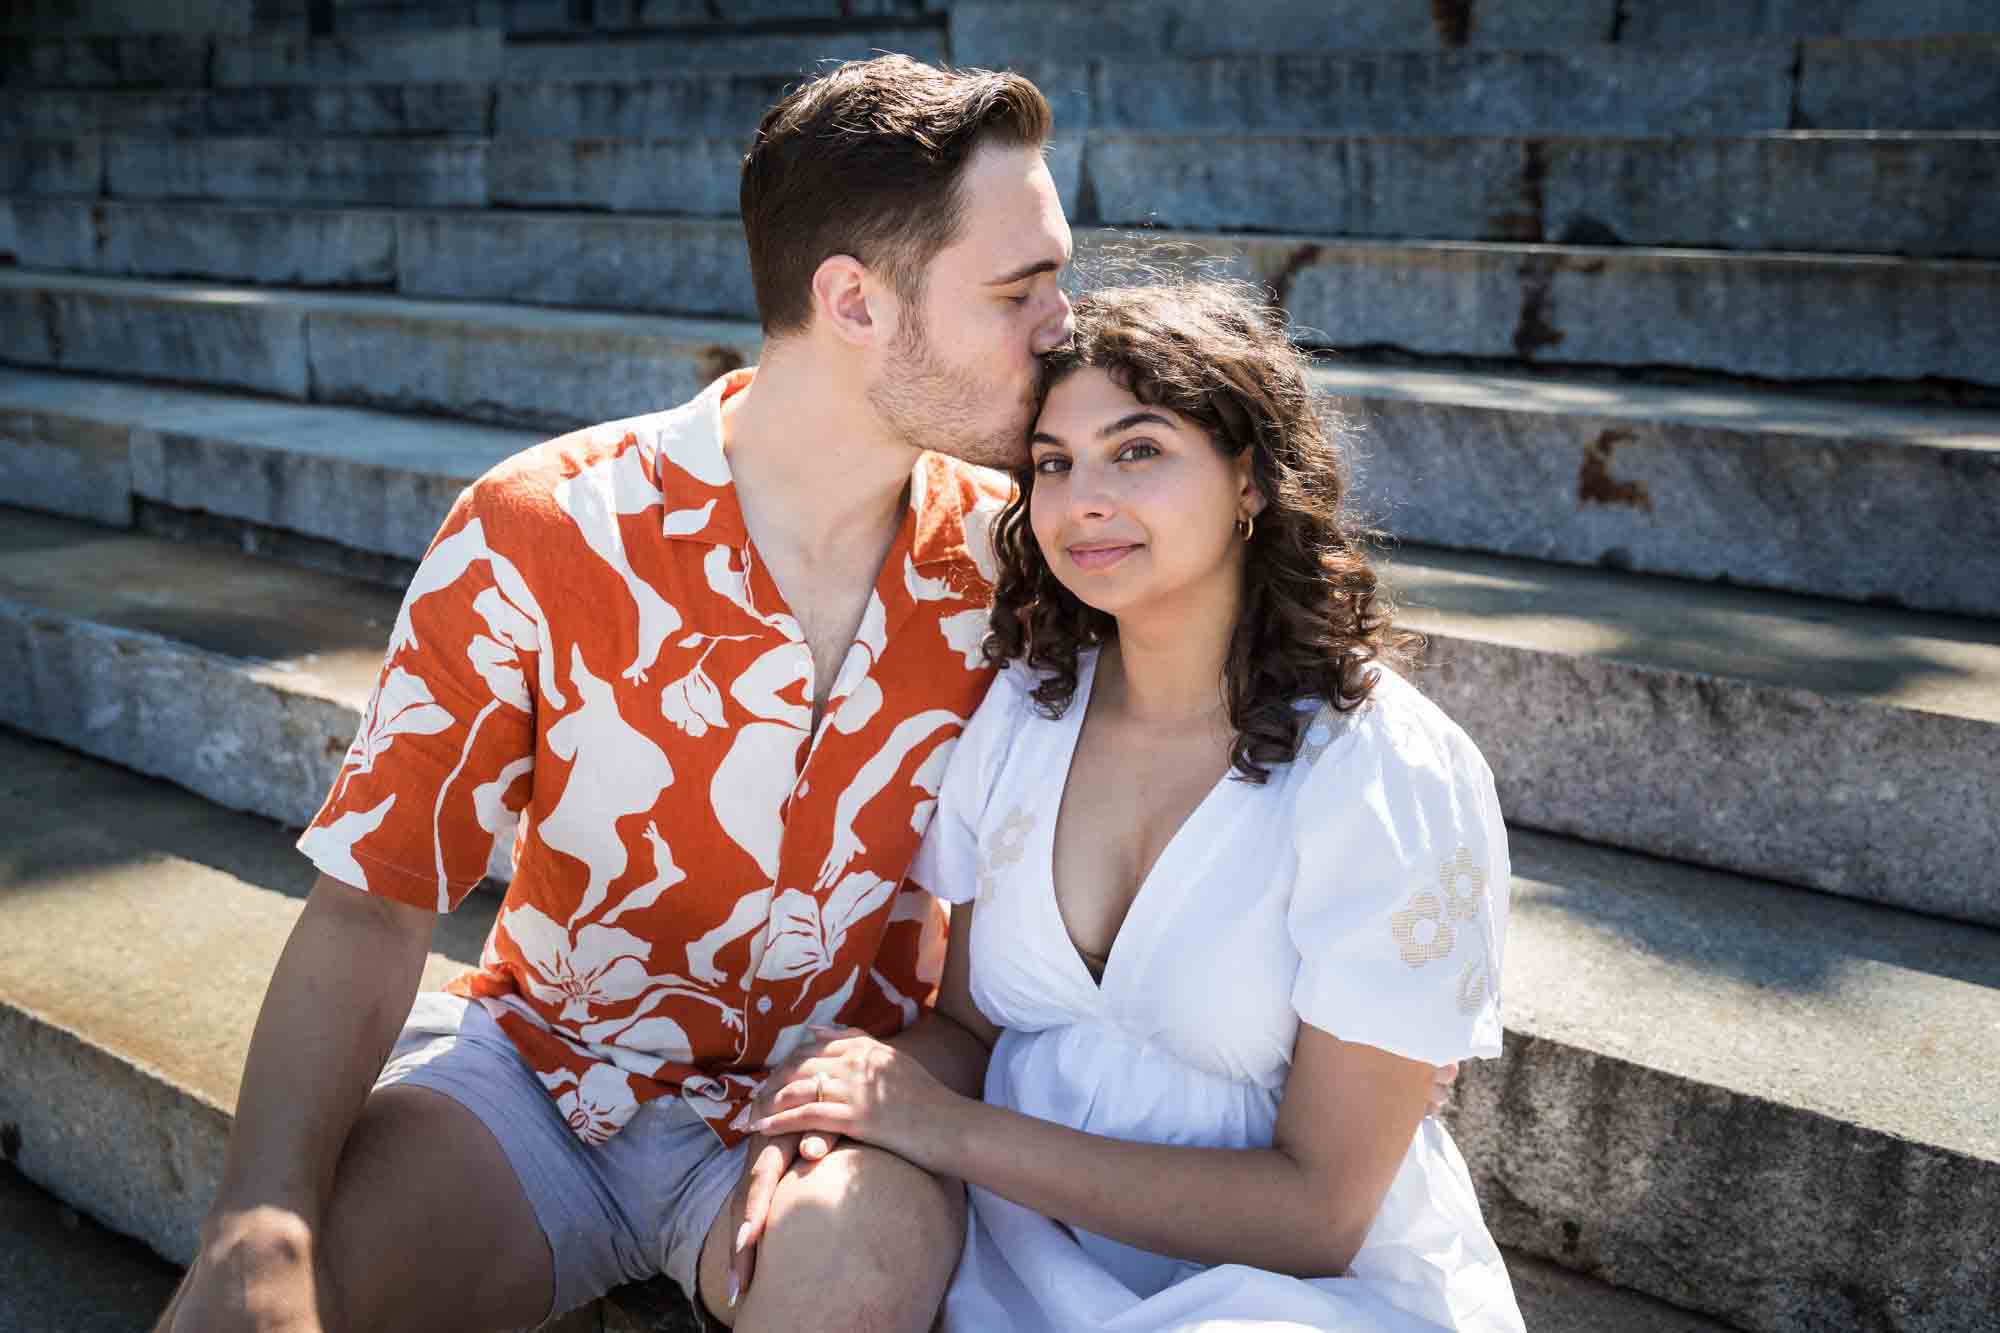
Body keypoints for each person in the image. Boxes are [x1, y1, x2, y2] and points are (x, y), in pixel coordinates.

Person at [155, 54, 1075, 1333]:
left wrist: (881, 1092)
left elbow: (988, 978)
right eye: (1020, 288)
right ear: (854, 301)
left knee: (854, 1272)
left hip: (838, 1113)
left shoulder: (1020, 568)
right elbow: (372, 910)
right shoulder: (542, 531)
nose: (1064, 324)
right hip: (539, 1081)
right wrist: (259, 1220)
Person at [749, 279, 1526, 1331]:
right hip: (1013, 1257)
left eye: (1137, 449)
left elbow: (1318, 1214)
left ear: (1246, 476)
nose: (1081, 502)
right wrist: (842, 1103)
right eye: (1053, 463)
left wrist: (947, 1131)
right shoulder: (1022, 712)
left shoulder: (1382, 773)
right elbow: (971, 1025)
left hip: (1290, 1300)